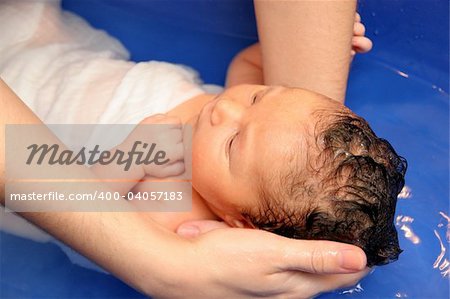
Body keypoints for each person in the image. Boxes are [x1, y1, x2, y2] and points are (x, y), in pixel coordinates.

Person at [0, 0, 378, 297]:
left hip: (30, 120)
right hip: (61, 54)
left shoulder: (178, 220)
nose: (225, 107)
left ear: (237, 223)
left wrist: (129, 158)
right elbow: (246, 62)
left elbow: (85, 224)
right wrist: (324, 45)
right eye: (260, 98)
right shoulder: (249, 137)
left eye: (233, 141)